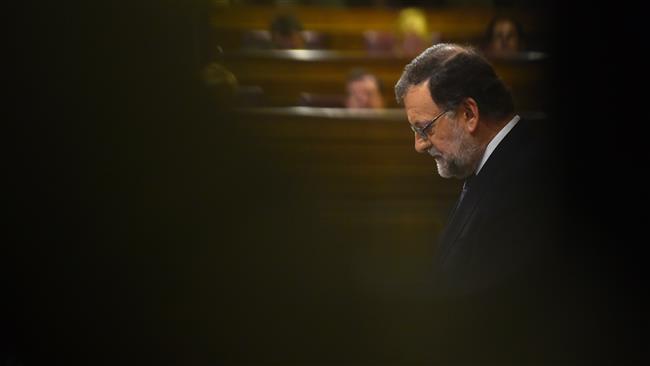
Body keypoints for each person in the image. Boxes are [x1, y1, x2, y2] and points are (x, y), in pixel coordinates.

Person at [394, 43, 562, 297]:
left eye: (425, 128)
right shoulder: (498, 162)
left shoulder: (527, 185)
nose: (419, 145)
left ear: (469, 113)